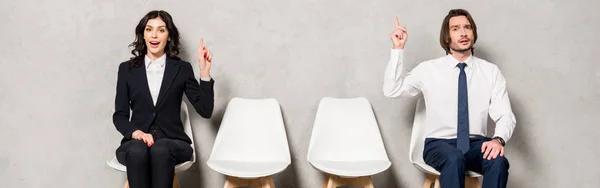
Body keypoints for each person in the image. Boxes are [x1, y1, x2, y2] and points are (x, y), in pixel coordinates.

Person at [383, 9, 516, 188]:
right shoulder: (429, 70)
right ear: (446, 38)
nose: (463, 32)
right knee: (454, 158)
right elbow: (393, 90)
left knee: (498, 161)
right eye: (455, 29)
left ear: (473, 33)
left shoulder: (490, 72)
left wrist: (498, 139)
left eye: (467, 27)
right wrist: (398, 49)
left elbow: (505, 114)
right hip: (439, 144)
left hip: (476, 143)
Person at [112, 10, 215, 188]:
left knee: (161, 149)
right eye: (149, 29)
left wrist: (204, 73)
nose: (154, 35)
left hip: (173, 142)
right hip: (136, 142)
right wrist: (136, 133)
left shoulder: (181, 69)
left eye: (161, 30)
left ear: (169, 36)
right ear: (143, 34)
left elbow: (205, 110)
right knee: (137, 150)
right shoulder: (126, 69)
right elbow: (119, 115)